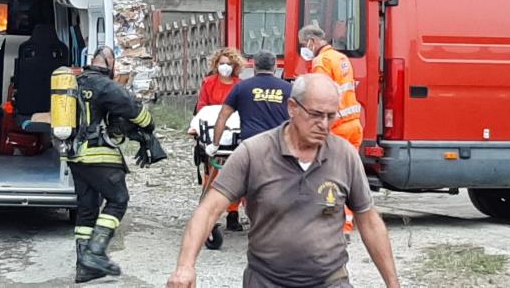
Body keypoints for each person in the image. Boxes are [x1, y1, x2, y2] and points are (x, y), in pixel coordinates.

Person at [167, 74, 400, 288]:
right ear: (292, 108)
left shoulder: (344, 155)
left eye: (331, 116)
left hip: (330, 281)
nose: (324, 124)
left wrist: (393, 283)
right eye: (316, 114)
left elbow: (369, 220)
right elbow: (208, 210)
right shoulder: (254, 152)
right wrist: (185, 267)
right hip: (266, 281)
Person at [68, 46, 160, 282]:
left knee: (87, 209)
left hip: (74, 157)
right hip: (99, 155)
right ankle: (96, 253)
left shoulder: (73, 82)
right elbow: (133, 110)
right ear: (110, 64)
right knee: (118, 200)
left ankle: (84, 267)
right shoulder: (106, 85)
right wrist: (149, 127)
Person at [206, 50, 291, 231]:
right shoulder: (288, 89)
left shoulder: (242, 88)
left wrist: (214, 144)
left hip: (250, 146)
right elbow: (299, 118)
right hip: (278, 145)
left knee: (241, 183)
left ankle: (229, 214)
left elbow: (223, 116)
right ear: (275, 67)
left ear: (254, 68)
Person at [299, 24, 363, 235]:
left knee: (330, 178)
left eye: (303, 44)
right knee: (348, 177)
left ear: (312, 42)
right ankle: (346, 226)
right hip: (354, 125)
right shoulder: (341, 58)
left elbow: (320, 94)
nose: (304, 49)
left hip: (338, 128)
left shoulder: (322, 61)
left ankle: (332, 225)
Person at [195, 47, 243, 113]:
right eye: (222, 63)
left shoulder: (240, 84)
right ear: (216, 64)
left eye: (229, 64)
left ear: (234, 66)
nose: (225, 66)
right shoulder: (208, 82)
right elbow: (201, 107)